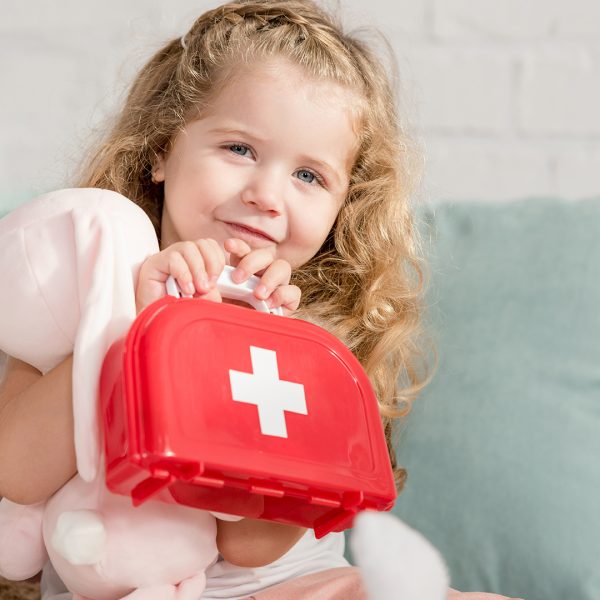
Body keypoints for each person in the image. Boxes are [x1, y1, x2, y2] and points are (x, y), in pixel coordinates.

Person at [0, 0, 426, 598]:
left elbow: (251, 545)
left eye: (309, 176)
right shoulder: (75, 295)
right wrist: (136, 326)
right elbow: (16, 474)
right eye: (240, 149)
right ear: (160, 149)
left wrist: (237, 338)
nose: (267, 195)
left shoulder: (318, 346)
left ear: (343, 208)